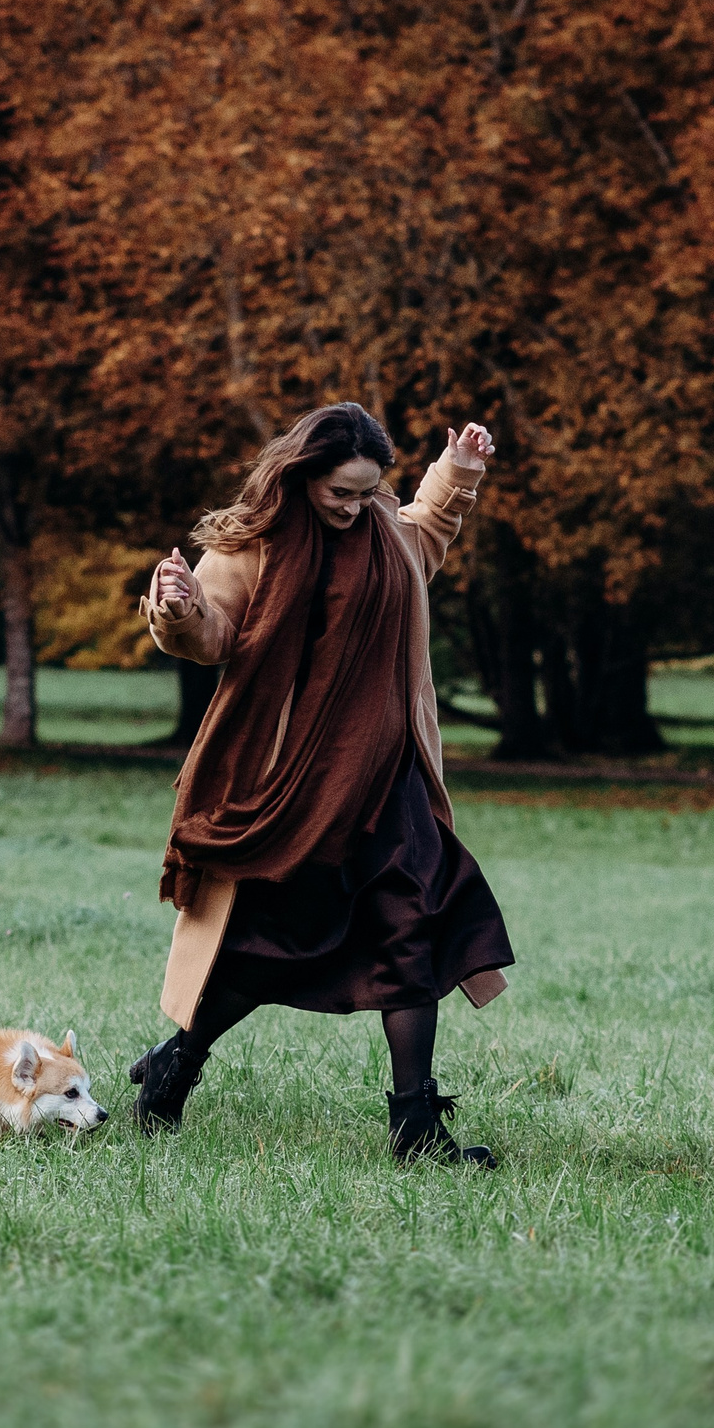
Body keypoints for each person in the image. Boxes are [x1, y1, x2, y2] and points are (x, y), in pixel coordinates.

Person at [133, 403, 516, 1166]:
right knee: (272, 943)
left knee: (416, 924)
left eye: (367, 492)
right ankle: (175, 1064)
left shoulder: (383, 530)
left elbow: (427, 533)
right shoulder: (252, 546)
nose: (354, 506)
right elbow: (209, 636)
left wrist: (459, 472)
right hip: (293, 785)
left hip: (390, 776)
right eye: (341, 492)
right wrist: (175, 608)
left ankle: (415, 1130)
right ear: (304, 475)